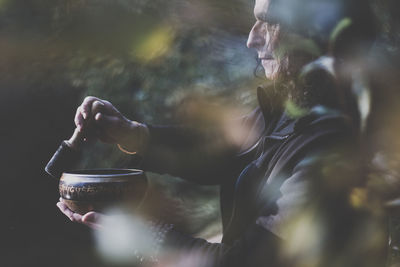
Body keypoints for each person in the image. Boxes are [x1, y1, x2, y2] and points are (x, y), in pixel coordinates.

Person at [56, 0, 382, 266]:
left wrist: (148, 237)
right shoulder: (296, 105)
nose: (252, 39)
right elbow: (226, 152)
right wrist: (131, 133)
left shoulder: (335, 145)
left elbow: (250, 261)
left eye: (269, 22)